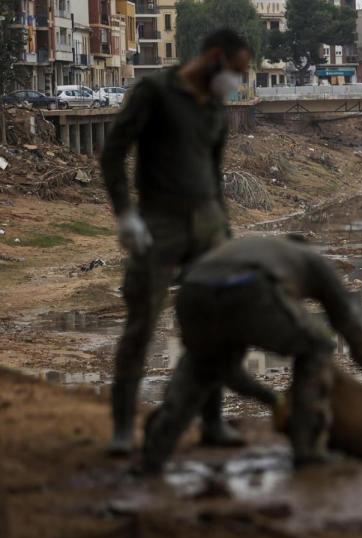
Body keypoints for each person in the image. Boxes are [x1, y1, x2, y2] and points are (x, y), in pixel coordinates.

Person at [101, 29, 253, 456]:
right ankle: (122, 429)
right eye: (237, 72)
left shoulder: (215, 108)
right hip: (159, 221)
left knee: (214, 326)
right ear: (215, 58)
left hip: (208, 222)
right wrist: (125, 214)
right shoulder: (155, 91)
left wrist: (224, 228)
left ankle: (212, 423)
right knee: (141, 323)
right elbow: (114, 152)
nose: (237, 82)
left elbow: (215, 173)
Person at [141, 236, 362, 473]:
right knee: (318, 344)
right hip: (250, 287)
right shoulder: (314, 262)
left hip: (192, 290)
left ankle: (154, 452)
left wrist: (272, 399)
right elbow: (350, 327)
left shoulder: (263, 249)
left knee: (202, 364)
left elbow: (229, 372)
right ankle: (307, 449)